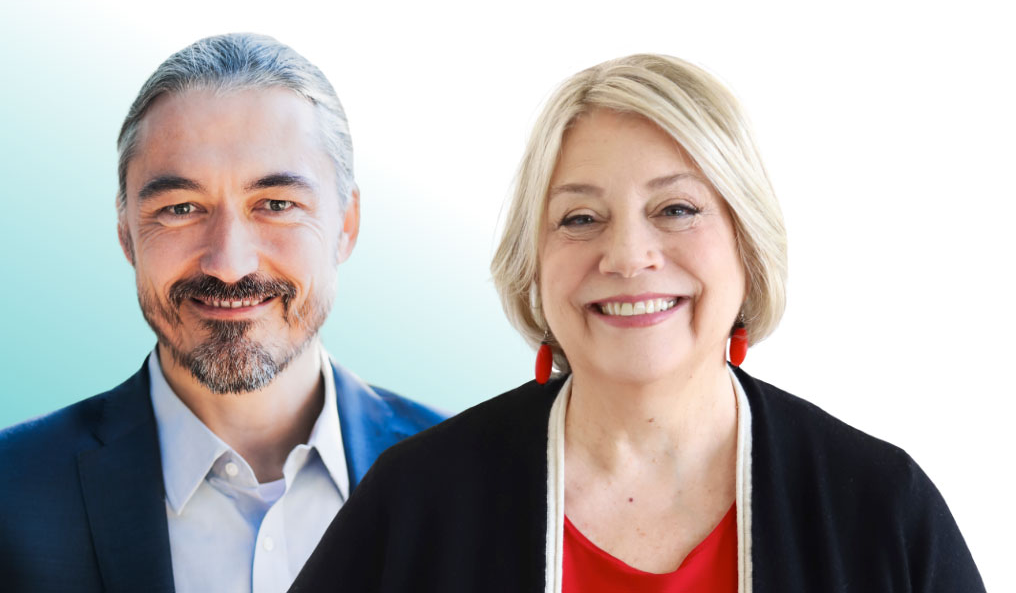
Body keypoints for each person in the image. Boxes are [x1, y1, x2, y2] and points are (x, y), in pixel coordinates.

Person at [290, 54, 985, 592]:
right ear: (535, 261)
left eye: (676, 209)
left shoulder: (883, 509)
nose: (627, 256)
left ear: (747, 244)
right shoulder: (417, 500)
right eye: (580, 218)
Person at [0, 33, 446, 593]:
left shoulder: (473, 478)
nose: (230, 265)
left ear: (347, 224)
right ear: (125, 232)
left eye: (277, 204)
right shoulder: (11, 494)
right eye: (181, 208)